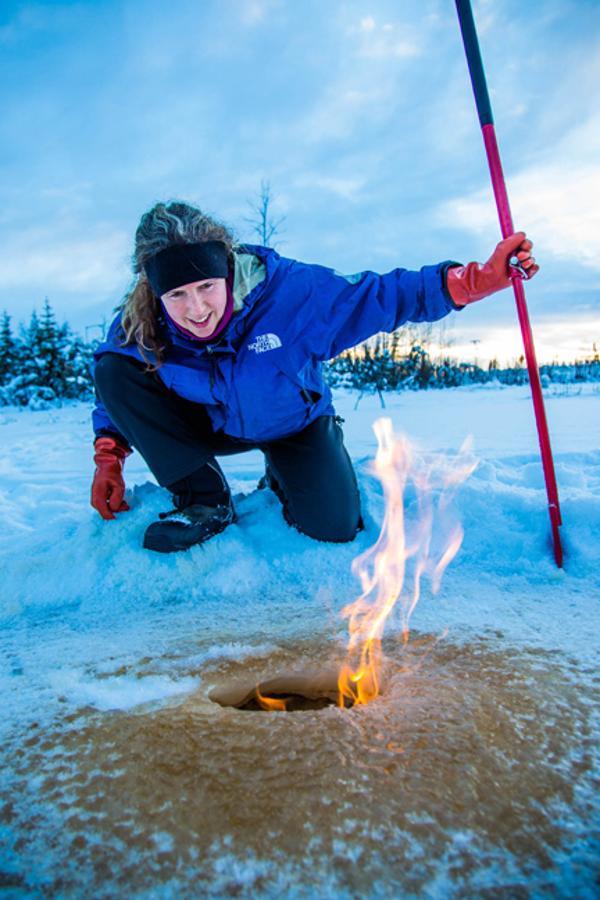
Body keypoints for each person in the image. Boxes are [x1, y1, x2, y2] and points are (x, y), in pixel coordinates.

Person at [90, 200, 538, 553]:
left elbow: (381, 295)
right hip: (207, 424)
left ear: (226, 269)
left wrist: (473, 281)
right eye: (177, 295)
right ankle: (203, 498)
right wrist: (109, 456)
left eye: (206, 286)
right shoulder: (143, 321)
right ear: (155, 291)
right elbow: (118, 391)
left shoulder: (292, 294)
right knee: (112, 368)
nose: (197, 309)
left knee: (333, 527)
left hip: (292, 423)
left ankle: (284, 473)